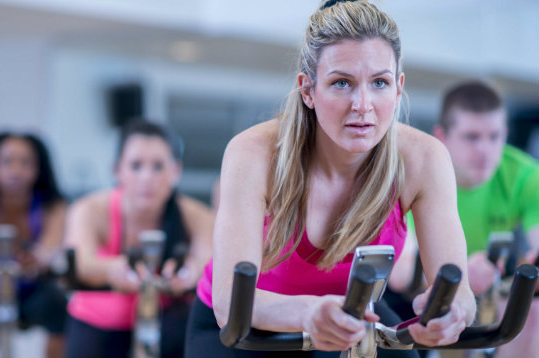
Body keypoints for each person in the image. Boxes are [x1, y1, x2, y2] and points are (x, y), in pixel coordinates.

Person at [184, 1, 478, 357]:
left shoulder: (424, 159)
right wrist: (310, 312)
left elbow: (459, 290)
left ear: (399, 87)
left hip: (348, 314)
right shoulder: (254, 154)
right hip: (245, 324)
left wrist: (452, 311)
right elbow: (230, 302)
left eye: (380, 83)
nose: (363, 104)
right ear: (308, 89)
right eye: (342, 83)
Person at [388, 81, 539, 358]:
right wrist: (465, 278)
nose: (485, 149)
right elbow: (400, 274)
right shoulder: (414, 172)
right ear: (441, 136)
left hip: (485, 293)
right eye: (471, 137)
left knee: (532, 308)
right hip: (418, 300)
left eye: (495, 136)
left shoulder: (524, 175)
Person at [65, 119, 214, 357]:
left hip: (168, 324)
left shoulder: (197, 215)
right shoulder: (88, 209)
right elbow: (81, 261)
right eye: (136, 166)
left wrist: (188, 274)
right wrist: (114, 269)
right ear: (118, 170)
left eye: (158, 166)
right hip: (99, 324)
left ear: (176, 171)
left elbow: (207, 260)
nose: (147, 177)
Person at [0, 131, 68, 358]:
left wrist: (39, 258)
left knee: (63, 312)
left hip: (31, 290)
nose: (16, 170)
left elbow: (51, 246)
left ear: (38, 169)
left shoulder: (52, 206)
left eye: (25, 163)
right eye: (7, 162)